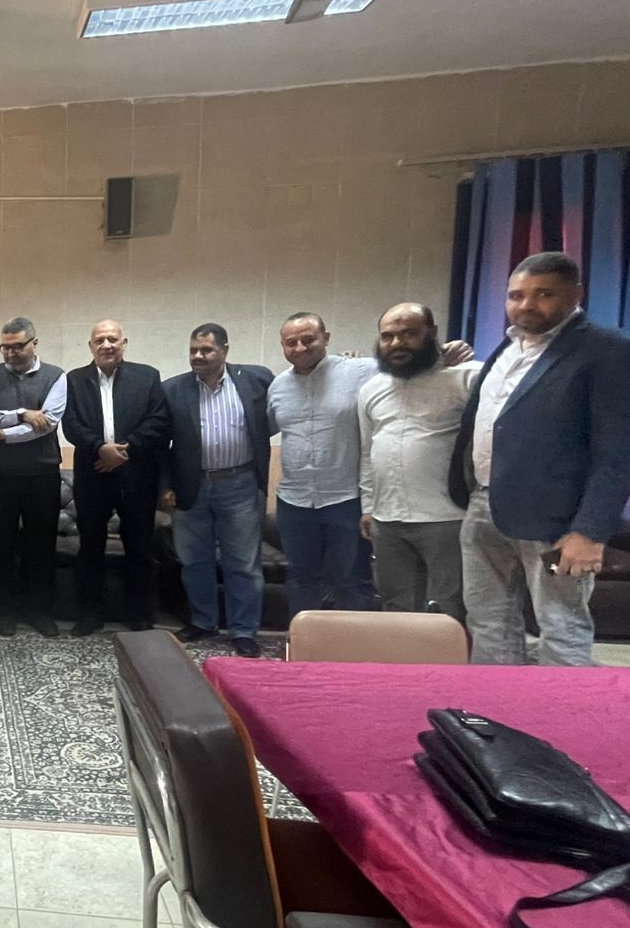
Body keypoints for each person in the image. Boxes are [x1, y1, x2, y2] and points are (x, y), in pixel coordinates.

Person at [450, 252, 630, 665]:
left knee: (560, 625)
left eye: (543, 294)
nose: (526, 305)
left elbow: (618, 453)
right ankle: (497, 700)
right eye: (516, 295)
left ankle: (562, 706)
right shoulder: (509, 346)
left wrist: (589, 531)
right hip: (484, 507)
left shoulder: (608, 350)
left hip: (555, 522)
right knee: (488, 620)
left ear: (575, 294)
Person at [268, 312, 474, 620]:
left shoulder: (362, 370)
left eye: (308, 339)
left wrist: (447, 352)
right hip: (294, 501)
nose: (299, 348)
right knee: (300, 576)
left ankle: (356, 645)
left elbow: (411, 363)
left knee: (351, 580)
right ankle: (302, 642)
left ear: (326, 338)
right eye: (291, 342)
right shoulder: (277, 386)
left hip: (344, 500)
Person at [358, 303, 481, 621]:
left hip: (447, 518)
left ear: (432, 333)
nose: (397, 343)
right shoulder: (371, 389)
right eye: (388, 336)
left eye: (409, 333)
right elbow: (368, 453)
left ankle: (451, 657)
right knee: (395, 604)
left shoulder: (468, 378)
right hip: (387, 520)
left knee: (449, 606)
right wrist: (368, 507)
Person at [159, 323, 274, 657]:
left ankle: (244, 630)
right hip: (190, 486)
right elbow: (161, 446)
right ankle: (203, 621)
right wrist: (165, 486)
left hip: (240, 484)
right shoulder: (173, 389)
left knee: (243, 563)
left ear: (224, 349)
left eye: (206, 349)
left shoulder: (256, 380)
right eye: (193, 350)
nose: (198, 356)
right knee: (194, 560)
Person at [61, 320, 169, 635]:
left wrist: (124, 449)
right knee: (90, 547)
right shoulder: (74, 380)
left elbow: (158, 420)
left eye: (112, 339)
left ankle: (140, 614)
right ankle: (90, 613)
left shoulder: (147, 377)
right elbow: (71, 424)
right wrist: (100, 448)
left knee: (139, 547)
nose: (106, 345)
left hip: (136, 476)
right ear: (90, 346)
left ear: (124, 343)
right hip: (93, 475)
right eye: (100, 340)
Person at [0, 316, 67, 638]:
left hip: (42, 474)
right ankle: (3, 611)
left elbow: (48, 423)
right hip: (0, 475)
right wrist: (22, 413)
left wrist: (3, 434)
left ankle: (38, 610)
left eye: (17, 346)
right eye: (5, 347)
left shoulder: (56, 376)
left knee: (40, 545)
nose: (11, 353)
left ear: (34, 343)